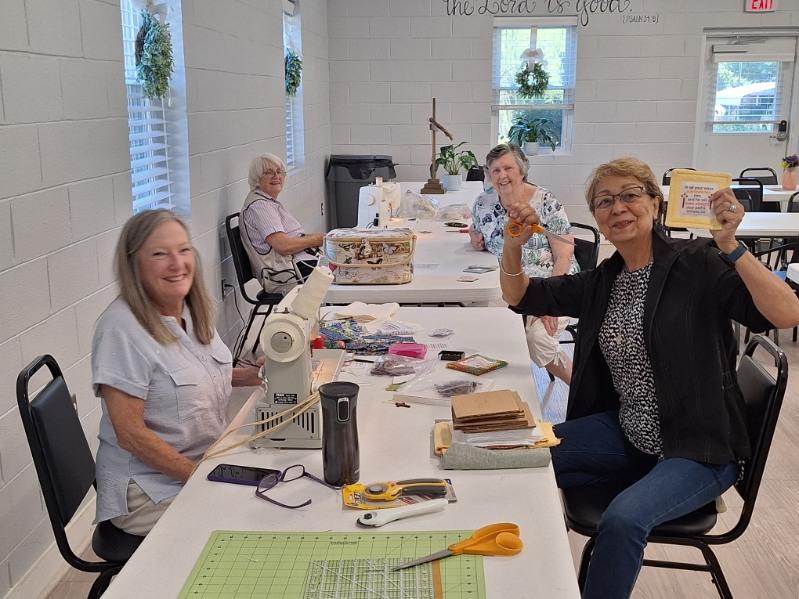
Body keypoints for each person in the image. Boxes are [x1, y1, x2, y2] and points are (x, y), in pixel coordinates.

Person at [500, 157, 799, 598]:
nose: (618, 208)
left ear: (655, 203)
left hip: (698, 448)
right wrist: (513, 245)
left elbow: (788, 313)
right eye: (604, 202)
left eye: (630, 195)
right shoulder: (606, 279)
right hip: (629, 433)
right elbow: (521, 295)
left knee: (623, 519)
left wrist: (732, 246)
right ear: (597, 218)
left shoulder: (698, 263)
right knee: (521, 460)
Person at [91, 210, 264, 536]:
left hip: (201, 461)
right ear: (133, 264)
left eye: (183, 250)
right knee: (254, 518)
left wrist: (256, 374)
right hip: (150, 489)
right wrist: (203, 479)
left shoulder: (188, 308)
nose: (177, 264)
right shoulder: (121, 329)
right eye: (160, 254)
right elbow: (131, 434)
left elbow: (201, 375)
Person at [470, 143, 577, 383]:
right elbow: (476, 229)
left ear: (522, 170)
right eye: (495, 170)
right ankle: (501, 389)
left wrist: (550, 302)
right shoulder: (483, 203)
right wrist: (474, 237)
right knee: (483, 326)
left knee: (538, 338)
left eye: (508, 168)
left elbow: (564, 254)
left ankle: (583, 392)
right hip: (506, 282)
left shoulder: (546, 201)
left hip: (548, 283)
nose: (502, 175)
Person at [240, 153, 325, 294]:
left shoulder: (268, 202)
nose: (276, 176)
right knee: (345, 279)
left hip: (299, 264)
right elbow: (283, 246)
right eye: (269, 172)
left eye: (279, 172)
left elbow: (292, 238)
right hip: (288, 276)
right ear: (257, 178)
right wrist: (316, 239)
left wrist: (323, 238)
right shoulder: (260, 207)